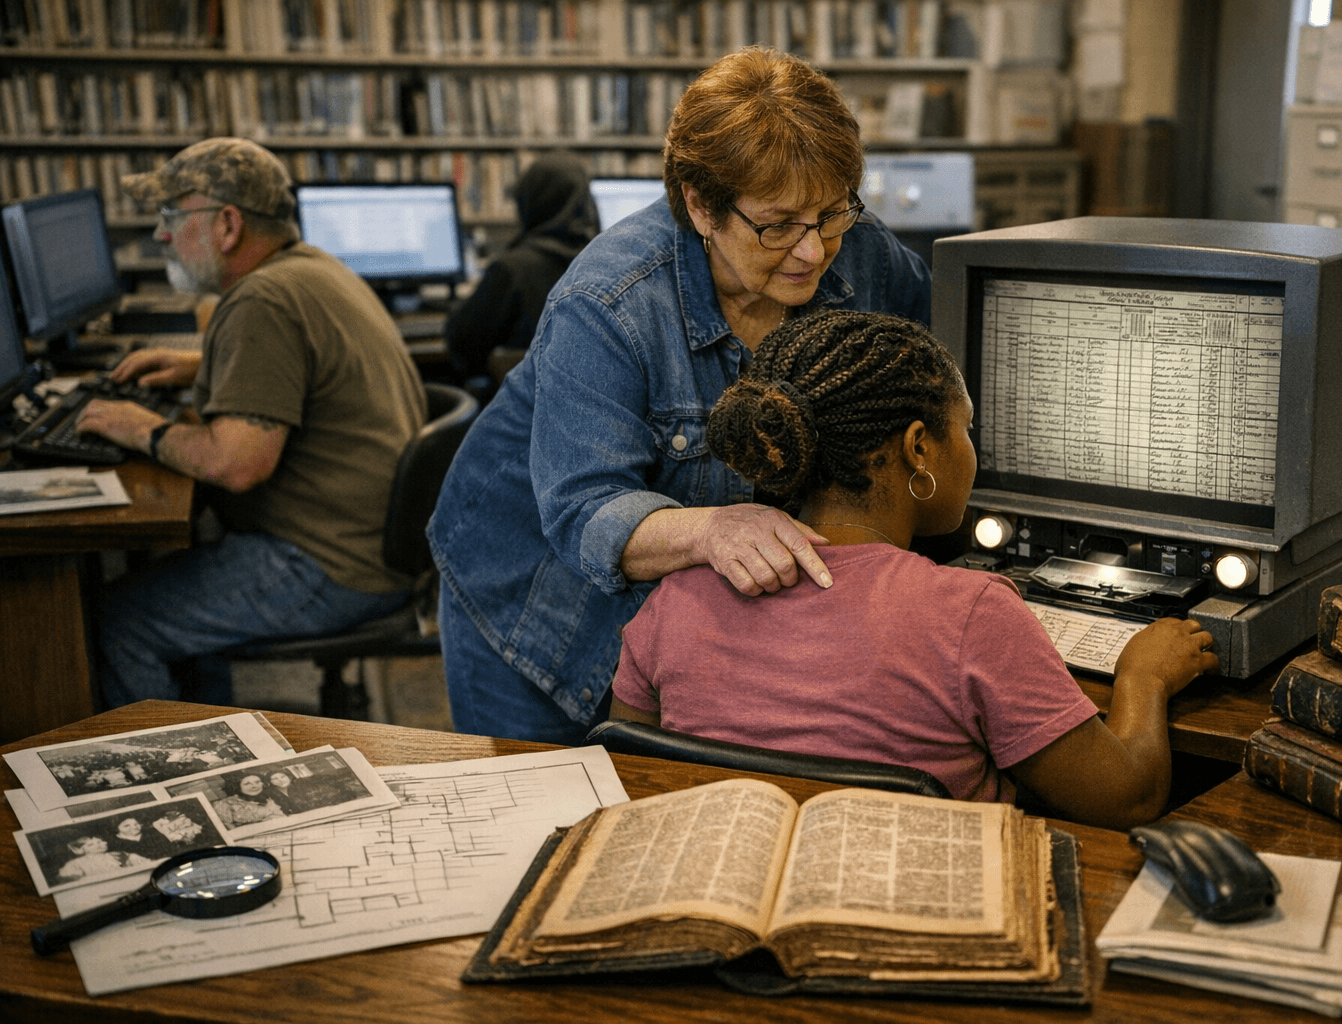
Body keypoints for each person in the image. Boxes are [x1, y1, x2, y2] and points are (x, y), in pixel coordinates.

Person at [429, 47, 931, 744]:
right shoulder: (609, 302)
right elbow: (584, 509)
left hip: (698, 623)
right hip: (537, 601)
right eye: (778, 225)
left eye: (830, 214)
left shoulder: (865, 253)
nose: (814, 251)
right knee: (555, 797)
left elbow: (938, 385)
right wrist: (712, 529)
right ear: (701, 205)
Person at [609, 311, 1219, 829]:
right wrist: (1143, 677)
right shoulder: (972, 612)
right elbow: (1128, 800)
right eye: (967, 429)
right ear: (919, 447)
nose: (972, 451)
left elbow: (636, 776)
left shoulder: (677, 597)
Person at [74, 137, 429, 708]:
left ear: (228, 225)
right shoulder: (310, 268)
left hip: (330, 564)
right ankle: (205, 713)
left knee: (118, 623)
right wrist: (202, 366)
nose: (161, 234)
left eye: (172, 216)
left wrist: (139, 427)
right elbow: (303, 366)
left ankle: (175, 761)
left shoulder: (261, 300)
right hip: (374, 547)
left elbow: (236, 465)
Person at [442, 151, 598, 386]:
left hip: (522, 406)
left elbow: (462, 345)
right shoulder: (605, 264)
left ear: (530, 202)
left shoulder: (512, 269)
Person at [56, 834, 151, 883]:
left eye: (100, 842)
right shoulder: (77, 863)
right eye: (90, 844)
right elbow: (69, 879)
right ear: (79, 850)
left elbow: (144, 863)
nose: (98, 845)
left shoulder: (118, 855)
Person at [211, 774, 284, 828]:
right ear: (238, 787)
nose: (254, 786)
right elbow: (227, 829)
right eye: (247, 784)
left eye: (257, 782)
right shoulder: (224, 804)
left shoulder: (270, 798)